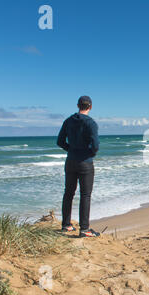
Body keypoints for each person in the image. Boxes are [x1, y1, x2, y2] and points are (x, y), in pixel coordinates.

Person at [57, 96, 100, 237]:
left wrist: (71, 150)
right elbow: (95, 146)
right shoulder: (91, 123)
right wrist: (88, 153)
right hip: (85, 162)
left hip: (71, 161)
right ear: (91, 107)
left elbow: (60, 141)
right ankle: (84, 229)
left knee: (68, 193)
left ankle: (66, 225)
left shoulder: (68, 121)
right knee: (85, 195)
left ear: (77, 105)